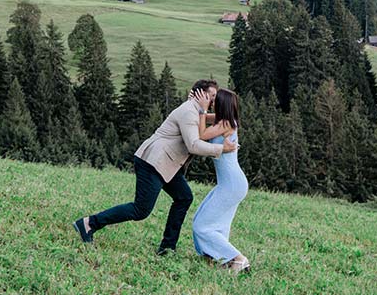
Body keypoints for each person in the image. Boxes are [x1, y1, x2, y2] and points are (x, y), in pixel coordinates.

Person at [73, 79, 237, 254]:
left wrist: (220, 114)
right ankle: (89, 223)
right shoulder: (189, 112)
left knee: (184, 197)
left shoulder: (195, 110)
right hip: (153, 162)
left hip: (167, 164)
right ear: (200, 95)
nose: (214, 101)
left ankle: (167, 247)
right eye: (211, 96)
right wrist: (222, 148)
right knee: (140, 210)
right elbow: (193, 145)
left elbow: (209, 120)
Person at [192, 88, 250, 273]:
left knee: (201, 225)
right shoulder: (223, 120)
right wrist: (198, 105)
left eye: (215, 99)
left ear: (222, 103)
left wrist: (201, 111)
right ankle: (218, 259)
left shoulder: (226, 124)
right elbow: (205, 118)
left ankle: (238, 259)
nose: (213, 100)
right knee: (214, 223)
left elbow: (201, 135)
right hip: (230, 184)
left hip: (232, 185)